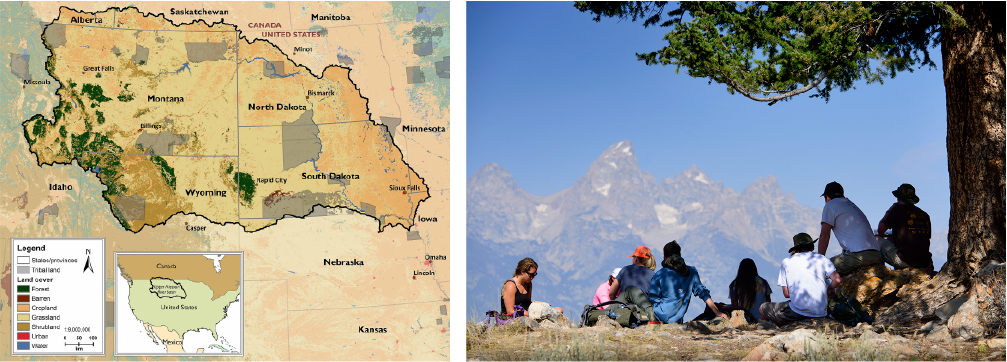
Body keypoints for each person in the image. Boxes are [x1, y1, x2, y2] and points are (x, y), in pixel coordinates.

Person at [761, 233, 842, 326]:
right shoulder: (822, 258)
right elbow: (837, 280)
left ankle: (783, 322)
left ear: (797, 248)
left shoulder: (786, 262)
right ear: (811, 245)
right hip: (820, 312)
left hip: (798, 312)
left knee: (763, 307)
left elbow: (786, 294)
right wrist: (829, 289)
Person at [649, 241, 728, 324]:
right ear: (680, 255)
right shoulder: (691, 272)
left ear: (664, 257)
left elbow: (653, 297)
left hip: (659, 317)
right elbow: (703, 292)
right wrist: (717, 312)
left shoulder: (660, 273)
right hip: (677, 319)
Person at [818, 181, 883, 276]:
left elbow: (824, 237)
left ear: (827, 197)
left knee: (821, 269)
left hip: (860, 255)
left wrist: (819, 261)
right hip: (876, 254)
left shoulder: (830, 205)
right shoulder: (850, 204)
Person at [877, 184, 934, 273]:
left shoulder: (897, 209)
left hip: (905, 261)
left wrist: (889, 210)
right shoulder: (925, 215)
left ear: (898, 198)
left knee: (875, 239)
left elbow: (880, 231)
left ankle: (880, 275)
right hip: (923, 262)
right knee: (890, 239)